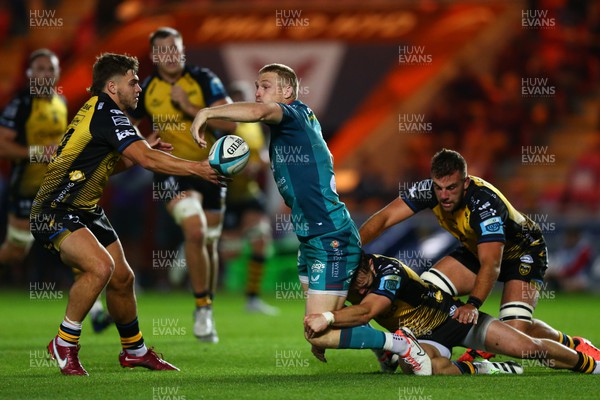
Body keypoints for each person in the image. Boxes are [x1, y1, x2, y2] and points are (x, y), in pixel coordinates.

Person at [190, 63, 429, 370]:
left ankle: (402, 344)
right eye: (257, 86)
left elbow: (261, 113)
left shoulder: (291, 115)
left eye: (265, 85)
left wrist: (207, 113)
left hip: (330, 236)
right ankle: (385, 351)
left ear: (287, 91)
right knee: (316, 325)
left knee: (320, 334)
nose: (258, 92)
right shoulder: (292, 125)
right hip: (312, 237)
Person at [31, 52, 222, 376]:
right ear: (112, 85)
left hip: (84, 210)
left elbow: (108, 167)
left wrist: (140, 152)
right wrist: (198, 168)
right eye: (133, 82)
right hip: (54, 209)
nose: (138, 88)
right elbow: (148, 161)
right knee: (100, 268)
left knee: (122, 277)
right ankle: (65, 342)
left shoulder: (98, 111)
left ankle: (134, 350)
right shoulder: (110, 114)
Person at [359, 148, 600, 361]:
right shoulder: (429, 191)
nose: (444, 195)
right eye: (439, 188)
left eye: (451, 188)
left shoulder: (484, 205)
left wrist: (473, 305)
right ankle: (415, 345)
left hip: (522, 254)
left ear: (465, 183)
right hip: (477, 251)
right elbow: (384, 218)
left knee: (516, 333)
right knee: (424, 292)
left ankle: (573, 344)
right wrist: (353, 249)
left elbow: (491, 264)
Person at [304, 253, 600, 376]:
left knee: (529, 349)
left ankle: (592, 365)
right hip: (422, 338)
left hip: (453, 318)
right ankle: (488, 369)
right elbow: (348, 311)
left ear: (370, 263)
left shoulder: (388, 271)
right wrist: (321, 336)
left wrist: (327, 321)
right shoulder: (350, 282)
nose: (356, 281)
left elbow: (367, 311)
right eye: (350, 276)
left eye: (359, 273)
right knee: (422, 369)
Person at [128, 27, 237, 343]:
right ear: (153, 56)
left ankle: (206, 307)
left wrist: (191, 108)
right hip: (171, 172)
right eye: (162, 50)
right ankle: (202, 306)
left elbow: (230, 123)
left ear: (183, 49)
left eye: (174, 48)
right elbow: (124, 128)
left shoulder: (203, 79)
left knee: (209, 242)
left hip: (212, 170)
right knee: (195, 228)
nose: (170, 55)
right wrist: (142, 142)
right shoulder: (145, 88)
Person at [0, 49, 66, 269]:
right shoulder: (20, 104)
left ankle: (93, 302)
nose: (46, 74)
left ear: (58, 73)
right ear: (29, 73)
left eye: (51, 69)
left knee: (75, 242)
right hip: (26, 189)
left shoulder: (62, 103)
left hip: (58, 189)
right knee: (16, 252)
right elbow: (2, 146)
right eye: (40, 69)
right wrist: (37, 153)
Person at [222, 81, 278, 315]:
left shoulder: (256, 124)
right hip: (226, 194)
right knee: (231, 252)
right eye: (238, 99)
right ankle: (196, 243)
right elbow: (215, 158)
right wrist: (236, 168)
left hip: (250, 193)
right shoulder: (225, 125)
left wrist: (262, 160)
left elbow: (262, 152)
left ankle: (253, 299)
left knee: (261, 241)